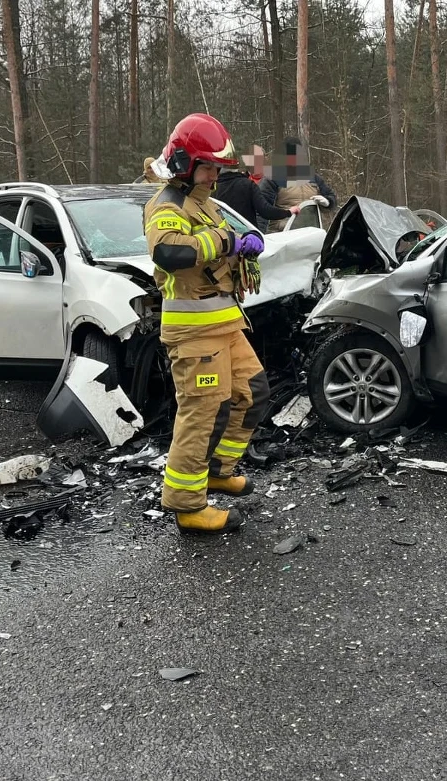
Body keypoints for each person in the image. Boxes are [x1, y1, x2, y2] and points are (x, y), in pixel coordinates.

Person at [143, 113, 271, 535]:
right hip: (195, 332)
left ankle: (218, 470)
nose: (216, 175)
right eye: (210, 167)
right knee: (202, 414)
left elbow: (227, 241)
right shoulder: (167, 205)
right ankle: (188, 504)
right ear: (184, 163)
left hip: (226, 323)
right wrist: (228, 241)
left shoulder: (206, 201)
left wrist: (246, 244)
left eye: (218, 168)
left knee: (251, 392)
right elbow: (171, 255)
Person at [260, 136, 337, 231]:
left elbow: (331, 196)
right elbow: (262, 210)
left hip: (310, 233)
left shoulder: (313, 177)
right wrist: (260, 237)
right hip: (282, 235)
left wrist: (328, 202)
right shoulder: (272, 178)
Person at [216, 164, 298, 227]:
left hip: (224, 237)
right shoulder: (248, 185)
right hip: (248, 238)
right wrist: (288, 212)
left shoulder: (212, 187)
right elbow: (265, 211)